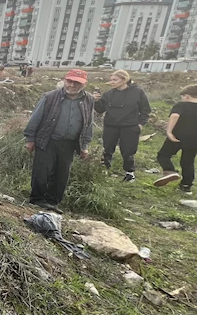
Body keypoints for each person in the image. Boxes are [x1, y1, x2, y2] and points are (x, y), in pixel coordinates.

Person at [24, 69, 94, 213]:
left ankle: (52, 202)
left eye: (77, 83)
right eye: (69, 81)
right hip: (48, 140)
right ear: (64, 80)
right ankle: (37, 199)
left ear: (84, 84)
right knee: (42, 171)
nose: (72, 85)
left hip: (70, 143)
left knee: (62, 174)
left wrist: (84, 145)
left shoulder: (88, 99)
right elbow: (35, 118)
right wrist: (30, 139)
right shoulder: (50, 97)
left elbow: (88, 123)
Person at [93, 70, 151, 182]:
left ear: (124, 79)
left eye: (115, 80)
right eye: (111, 80)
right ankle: (103, 170)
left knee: (128, 151)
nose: (112, 82)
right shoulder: (108, 94)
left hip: (130, 126)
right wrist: (95, 101)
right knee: (107, 148)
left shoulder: (137, 92)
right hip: (111, 126)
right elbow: (100, 109)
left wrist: (141, 124)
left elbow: (146, 109)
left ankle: (130, 173)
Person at [153, 84, 197, 194]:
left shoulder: (181, 105)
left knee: (163, 155)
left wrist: (169, 131)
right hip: (194, 140)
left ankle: (169, 171)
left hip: (177, 136)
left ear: (187, 96)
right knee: (188, 162)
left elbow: (175, 116)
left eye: (182, 96)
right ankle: (186, 186)